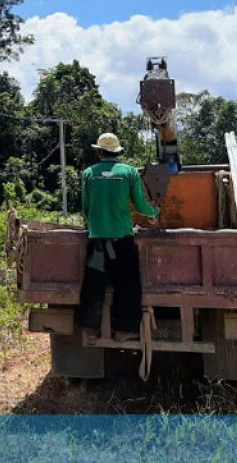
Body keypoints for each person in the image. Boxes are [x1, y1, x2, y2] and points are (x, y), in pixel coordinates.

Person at [78, 132, 158, 342]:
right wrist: (153, 213)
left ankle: (90, 330)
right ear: (117, 152)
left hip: (98, 242)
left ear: (100, 152)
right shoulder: (129, 173)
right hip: (122, 241)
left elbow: (85, 208)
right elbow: (140, 205)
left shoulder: (88, 174)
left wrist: (94, 225)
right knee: (128, 285)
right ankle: (124, 330)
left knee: (94, 285)